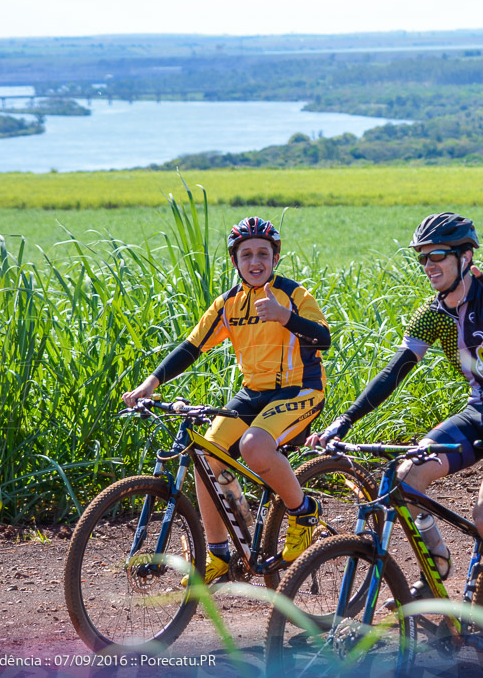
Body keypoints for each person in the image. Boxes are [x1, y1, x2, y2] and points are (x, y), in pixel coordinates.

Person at [310, 212, 483, 633]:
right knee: (404, 479)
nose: (429, 267)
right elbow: (394, 371)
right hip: (480, 411)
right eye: (423, 259)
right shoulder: (433, 314)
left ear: (466, 255)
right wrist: (344, 421)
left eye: (437, 256)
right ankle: (436, 563)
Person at [123, 216, 330, 582]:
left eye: (263, 254)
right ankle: (219, 554)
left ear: (275, 258)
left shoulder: (294, 295)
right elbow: (191, 347)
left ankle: (303, 511)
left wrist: (286, 318)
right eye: (246, 254)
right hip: (253, 393)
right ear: (234, 261)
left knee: (254, 445)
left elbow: (323, 338)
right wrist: (150, 383)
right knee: (204, 453)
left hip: (301, 389)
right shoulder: (228, 304)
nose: (255, 262)